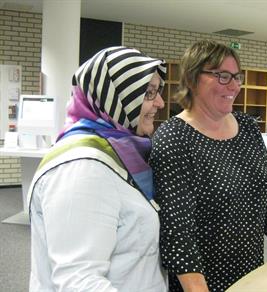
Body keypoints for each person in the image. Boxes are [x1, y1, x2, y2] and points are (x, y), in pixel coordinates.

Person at [150, 40, 267, 292]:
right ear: (191, 79)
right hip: (202, 282)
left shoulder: (248, 128)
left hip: (251, 275)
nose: (233, 86)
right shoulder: (173, 138)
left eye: (236, 77)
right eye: (222, 76)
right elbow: (177, 230)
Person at [28, 47, 168, 291]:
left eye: (158, 91)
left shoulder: (120, 151)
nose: (160, 102)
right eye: (148, 93)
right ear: (114, 98)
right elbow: (79, 281)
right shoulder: (81, 168)